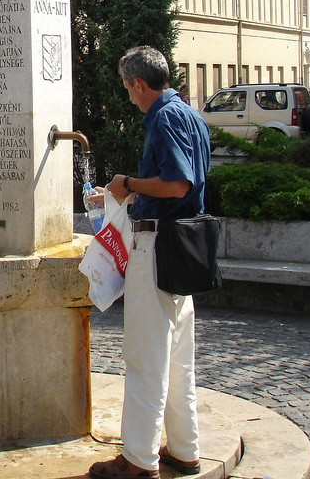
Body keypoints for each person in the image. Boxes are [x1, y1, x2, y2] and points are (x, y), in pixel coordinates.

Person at [88, 47, 210, 479]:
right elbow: (184, 185)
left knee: (144, 358)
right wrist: (127, 196)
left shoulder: (162, 117)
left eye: (127, 89)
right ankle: (185, 450)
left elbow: (177, 184)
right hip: (182, 248)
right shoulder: (190, 115)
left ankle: (138, 461)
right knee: (178, 360)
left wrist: (126, 183)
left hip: (157, 249)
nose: (129, 97)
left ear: (140, 84)